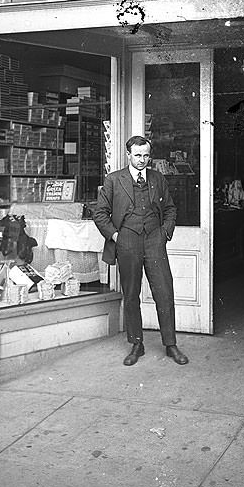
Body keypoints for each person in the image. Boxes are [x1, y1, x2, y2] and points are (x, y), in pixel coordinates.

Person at [94, 136, 189, 366]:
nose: (142, 160)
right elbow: (100, 214)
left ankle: (170, 344)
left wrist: (165, 233)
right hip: (127, 241)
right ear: (129, 155)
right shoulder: (114, 180)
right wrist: (117, 236)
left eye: (146, 155)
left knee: (164, 292)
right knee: (132, 294)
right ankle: (137, 344)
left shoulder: (157, 178)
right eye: (138, 155)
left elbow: (170, 209)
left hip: (154, 241)